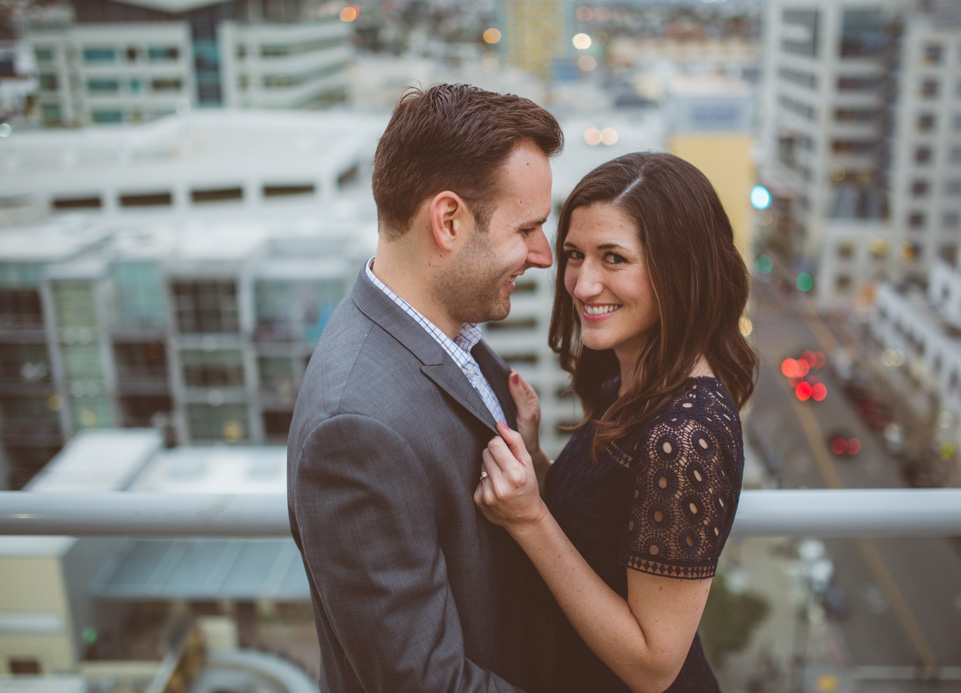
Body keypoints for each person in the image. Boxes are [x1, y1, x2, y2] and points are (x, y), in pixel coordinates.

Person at [287, 83, 563, 691]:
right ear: (448, 221)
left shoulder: (448, 334)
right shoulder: (353, 428)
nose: (543, 255)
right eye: (528, 228)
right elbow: (425, 682)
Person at [475, 152, 758, 692]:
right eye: (575, 256)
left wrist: (528, 518)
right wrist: (536, 461)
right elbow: (604, 528)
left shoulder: (686, 434)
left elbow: (654, 665)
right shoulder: (627, 382)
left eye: (614, 259)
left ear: (679, 268)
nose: (582, 285)